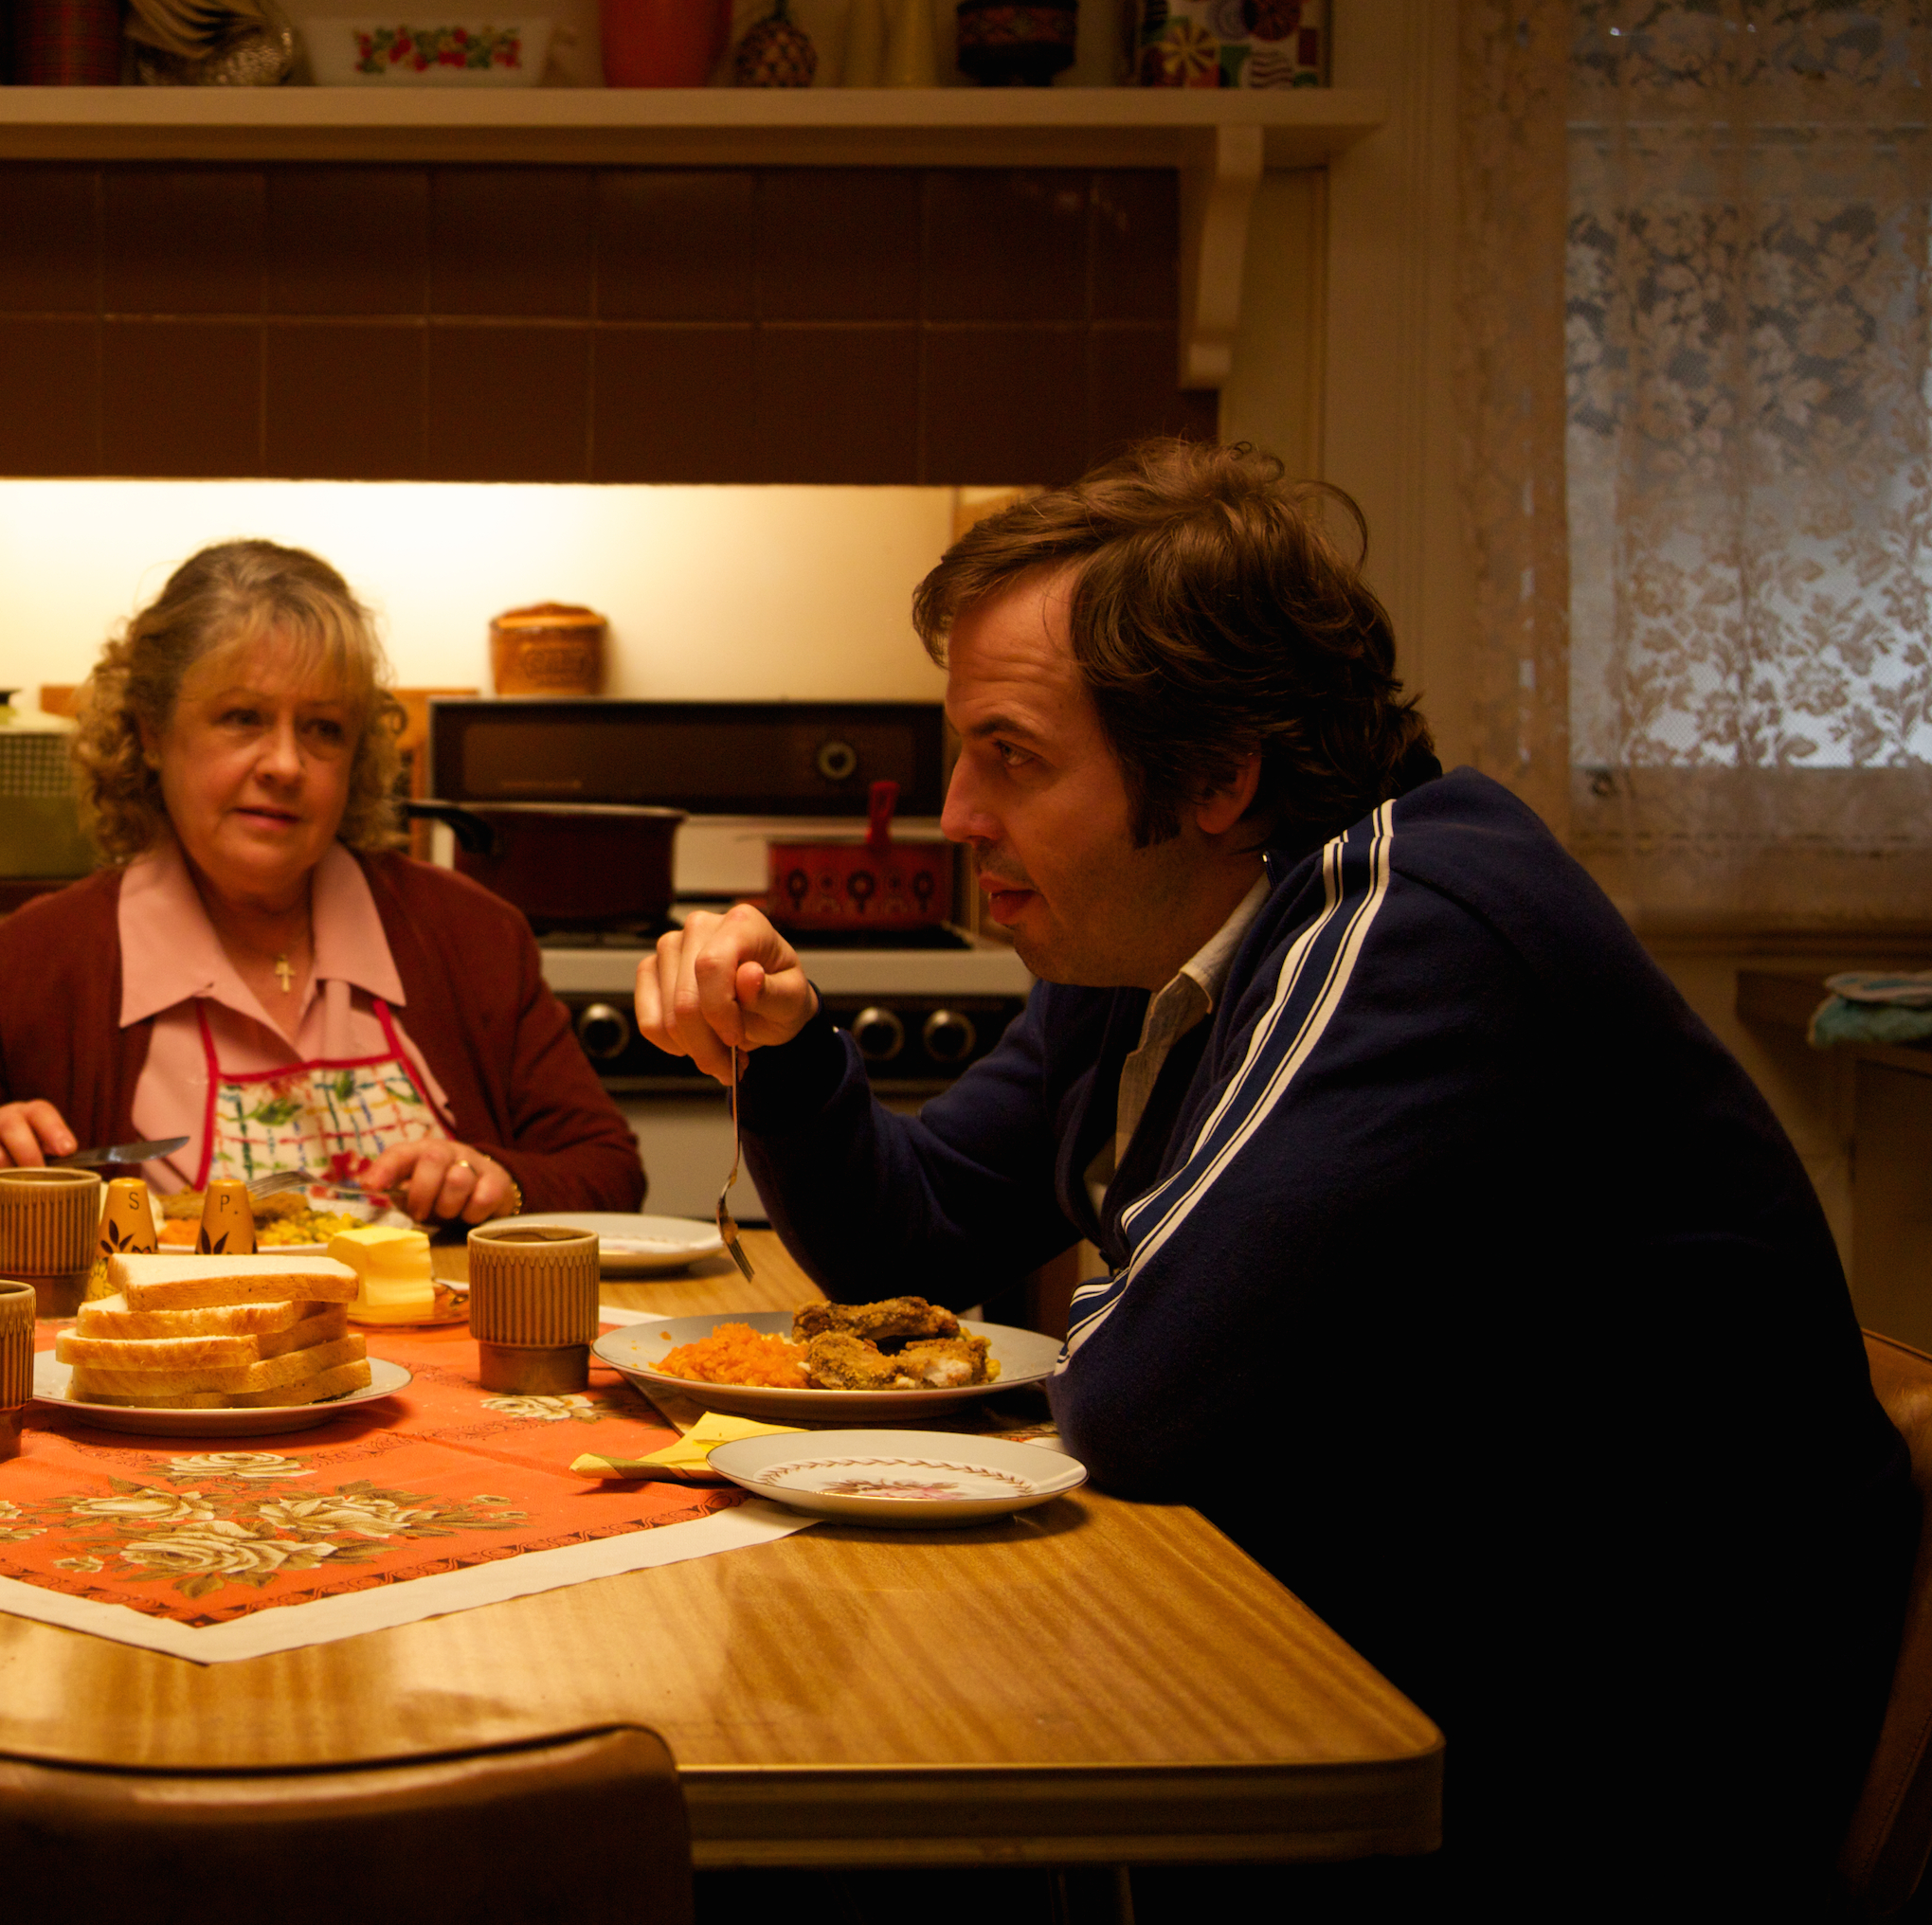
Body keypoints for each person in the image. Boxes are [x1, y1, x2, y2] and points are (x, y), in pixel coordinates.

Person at [639, 441, 1909, 1913]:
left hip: (1604, 1780)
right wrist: (788, 1055)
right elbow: (919, 1238)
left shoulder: (1414, 918)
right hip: (1362, 1663)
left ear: (1215, 778)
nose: (955, 819)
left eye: (1013, 757)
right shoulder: (1150, 935)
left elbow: (1138, 1404)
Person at [0, 540, 639, 1227]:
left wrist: (500, 1180)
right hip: (162, 1381)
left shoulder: (475, 937)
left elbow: (609, 1168)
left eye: (322, 728)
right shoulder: (21, 970)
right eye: (242, 717)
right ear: (148, 730)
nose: (284, 764)